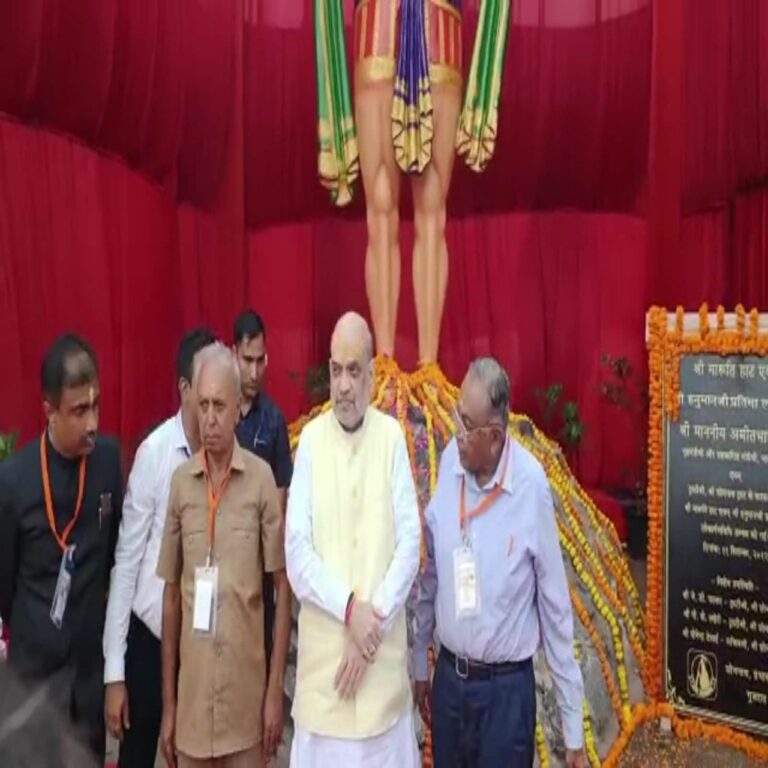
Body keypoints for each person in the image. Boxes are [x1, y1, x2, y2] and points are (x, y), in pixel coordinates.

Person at [413, 358, 588, 768]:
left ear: (494, 437)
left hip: (505, 697)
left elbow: (556, 609)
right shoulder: (450, 467)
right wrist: (421, 659)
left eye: (466, 423)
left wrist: (573, 734)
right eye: (457, 415)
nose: (455, 431)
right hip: (451, 690)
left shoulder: (531, 486)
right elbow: (432, 574)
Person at [286, 311, 422, 768]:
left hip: (381, 686)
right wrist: (349, 609)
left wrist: (370, 627)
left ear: (371, 373)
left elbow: (409, 544)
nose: (344, 385)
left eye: (354, 371)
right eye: (336, 371)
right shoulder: (309, 443)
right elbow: (297, 555)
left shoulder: (390, 439)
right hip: (325, 690)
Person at [156, 343, 290, 768]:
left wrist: (273, 696)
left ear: (237, 410)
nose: (210, 417)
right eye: (203, 405)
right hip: (193, 709)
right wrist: (170, 705)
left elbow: (282, 591)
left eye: (219, 406)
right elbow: (172, 598)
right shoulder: (180, 485)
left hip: (246, 709)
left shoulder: (262, 481)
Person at [0, 333, 123, 764]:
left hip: (87, 684)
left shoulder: (107, 462)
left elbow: (115, 560)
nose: (92, 423)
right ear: (49, 412)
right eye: (79, 411)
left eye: (96, 406)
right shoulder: (13, 482)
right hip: (33, 688)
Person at [102, 328, 216, 768]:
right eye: (203, 385)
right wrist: (115, 673)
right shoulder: (156, 454)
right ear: (184, 388)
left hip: (201, 644)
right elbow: (126, 564)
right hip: (150, 644)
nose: (212, 399)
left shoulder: (228, 453)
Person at [232, 309, 292, 670]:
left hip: (258, 566)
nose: (254, 372)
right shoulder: (217, 415)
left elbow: (279, 502)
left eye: (260, 361)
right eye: (246, 360)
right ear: (232, 354)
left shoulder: (273, 421)